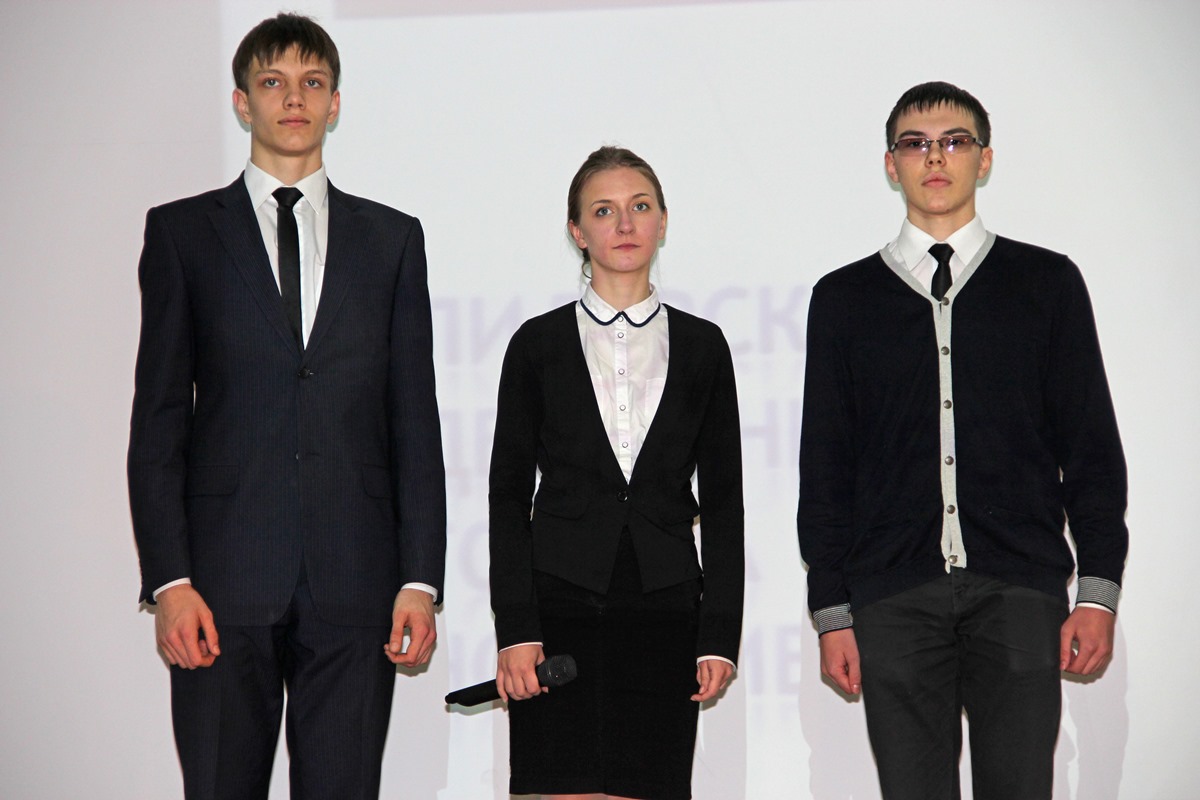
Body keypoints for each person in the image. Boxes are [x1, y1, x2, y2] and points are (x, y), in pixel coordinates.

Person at [127, 13, 446, 799]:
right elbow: (159, 420)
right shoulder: (182, 235)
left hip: (357, 583)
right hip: (219, 585)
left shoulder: (393, 241)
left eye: (312, 83)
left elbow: (414, 422)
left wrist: (419, 580)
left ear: (336, 103)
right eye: (273, 82)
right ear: (243, 102)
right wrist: (170, 582)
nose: (293, 99)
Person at [797, 81, 1128, 800]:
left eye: (955, 141)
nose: (935, 157)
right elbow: (825, 465)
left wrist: (1098, 593)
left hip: (1019, 587)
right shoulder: (844, 299)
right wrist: (831, 610)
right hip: (892, 594)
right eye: (916, 144)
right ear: (891, 165)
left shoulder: (1046, 284)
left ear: (985, 158)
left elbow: (1091, 450)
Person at [488, 146, 745, 800]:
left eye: (640, 207)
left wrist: (719, 636)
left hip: (665, 610)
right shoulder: (536, 345)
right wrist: (517, 629)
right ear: (578, 231)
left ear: (663, 221)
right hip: (559, 604)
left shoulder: (704, 346)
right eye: (604, 211)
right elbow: (507, 495)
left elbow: (724, 502)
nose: (625, 224)